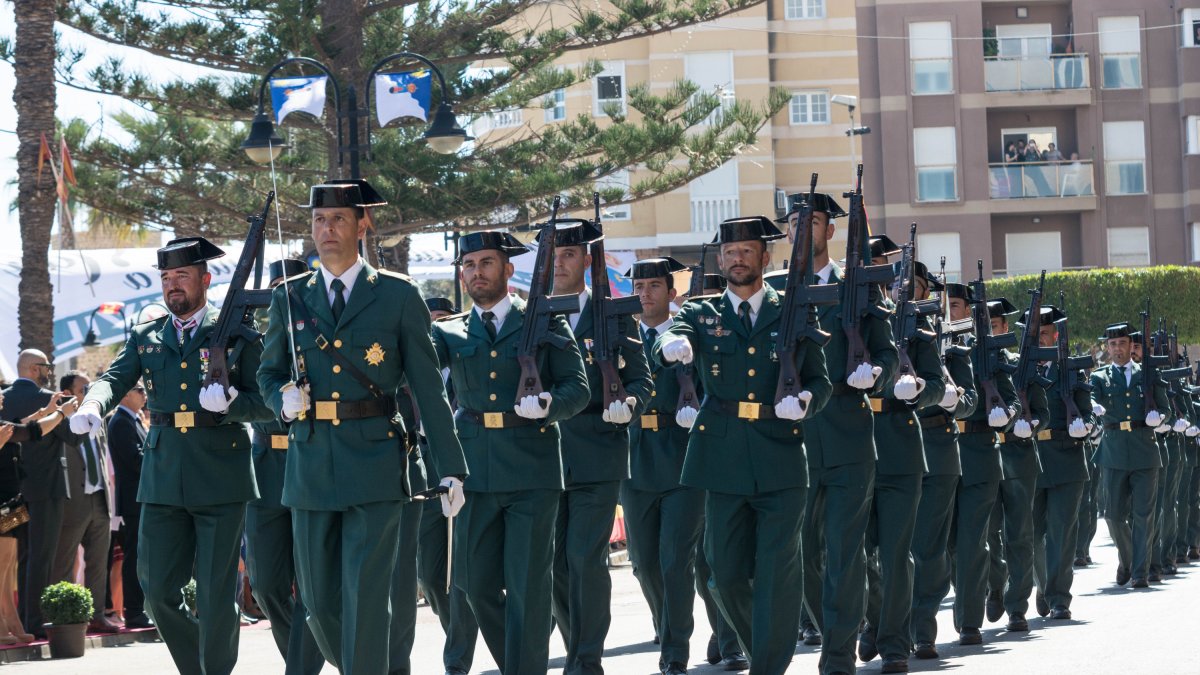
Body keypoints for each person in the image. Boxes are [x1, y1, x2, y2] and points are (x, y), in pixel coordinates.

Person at [257, 179, 468, 675]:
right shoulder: (290, 298)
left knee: (369, 601)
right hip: (309, 464)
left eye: (337, 220)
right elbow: (268, 372)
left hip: (376, 464)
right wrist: (278, 399)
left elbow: (428, 389)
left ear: (361, 225)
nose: (326, 230)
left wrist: (451, 469)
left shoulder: (396, 295)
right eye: (318, 220)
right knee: (320, 604)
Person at [70, 236, 272, 675]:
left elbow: (267, 400)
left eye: (181, 276)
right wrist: (92, 405)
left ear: (205, 279)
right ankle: (198, 666)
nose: (172, 285)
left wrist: (233, 403)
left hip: (221, 471)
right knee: (157, 588)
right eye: (165, 278)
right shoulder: (147, 335)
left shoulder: (235, 330)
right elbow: (113, 377)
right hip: (163, 474)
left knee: (218, 592)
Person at [655, 215, 832, 675]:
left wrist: (808, 400)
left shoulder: (792, 310)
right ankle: (764, 651)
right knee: (724, 573)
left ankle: (769, 667)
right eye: (729, 253)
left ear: (763, 257)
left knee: (777, 569)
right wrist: (668, 344)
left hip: (780, 452)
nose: (736, 259)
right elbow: (675, 334)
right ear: (720, 259)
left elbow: (820, 380)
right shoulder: (703, 313)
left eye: (746, 251)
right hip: (723, 454)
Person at [431, 230, 589, 674]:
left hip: (532, 468)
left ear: (508, 269)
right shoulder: (449, 330)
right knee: (473, 584)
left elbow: (578, 388)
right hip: (474, 470)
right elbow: (419, 374)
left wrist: (549, 405)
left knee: (527, 587)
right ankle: (518, 664)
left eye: (485, 263)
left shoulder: (544, 321)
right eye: (468, 265)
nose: (476, 272)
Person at [768, 194, 898, 675]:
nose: (804, 229)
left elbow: (886, 353)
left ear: (831, 231)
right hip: (793, 437)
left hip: (846, 431)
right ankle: (852, 618)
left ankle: (837, 653)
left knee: (846, 550)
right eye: (796, 222)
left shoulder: (858, 287)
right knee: (800, 551)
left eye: (815, 221)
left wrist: (875, 374)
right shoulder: (775, 292)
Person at [543, 219, 652, 675]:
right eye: (555, 255)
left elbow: (641, 379)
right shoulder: (536, 315)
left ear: (587, 261)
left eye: (570, 255)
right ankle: (576, 646)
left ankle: (587, 658)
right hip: (545, 453)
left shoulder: (613, 313)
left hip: (597, 447)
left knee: (584, 556)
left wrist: (628, 404)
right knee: (554, 565)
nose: (561, 263)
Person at [622, 256, 729, 675]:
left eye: (653, 286)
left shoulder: (691, 336)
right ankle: (666, 625)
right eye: (639, 286)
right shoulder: (622, 338)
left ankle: (676, 651)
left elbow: (716, 382)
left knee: (676, 560)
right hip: (637, 456)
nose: (644, 294)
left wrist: (701, 408)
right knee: (643, 563)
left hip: (684, 454)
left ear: (671, 292)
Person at [860, 246, 945, 674]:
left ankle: (895, 641)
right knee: (856, 554)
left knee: (895, 554)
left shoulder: (917, 323)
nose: (890, 282)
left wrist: (919, 391)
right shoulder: (848, 314)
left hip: (899, 446)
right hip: (852, 446)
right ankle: (874, 620)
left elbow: (937, 386)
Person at [244, 258, 325, 675]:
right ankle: (304, 658)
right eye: (276, 287)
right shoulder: (253, 343)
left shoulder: (320, 337)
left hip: (309, 458)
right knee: (267, 584)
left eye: (290, 286)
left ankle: (302, 667)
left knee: (313, 582)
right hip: (265, 468)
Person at [948, 286, 1020, 647]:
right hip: (940, 455)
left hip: (978, 451)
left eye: (955, 306)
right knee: (947, 545)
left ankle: (968, 621)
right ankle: (997, 575)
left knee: (973, 542)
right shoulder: (927, 343)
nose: (949, 311)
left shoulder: (989, 350)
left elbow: (1011, 401)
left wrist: (1004, 416)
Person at [910, 276, 977, 661]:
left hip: (937, 449)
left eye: (918, 287)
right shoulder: (882, 334)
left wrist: (952, 399)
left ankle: (922, 630)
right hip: (889, 449)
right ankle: (880, 622)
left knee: (929, 549)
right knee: (884, 549)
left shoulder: (950, 344)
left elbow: (968, 402)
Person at [413, 296, 480, 675]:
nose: (434, 330)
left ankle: (456, 658)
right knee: (431, 575)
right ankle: (457, 631)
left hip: (463, 465)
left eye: (442, 321)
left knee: (463, 572)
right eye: (429, 323)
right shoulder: (412, 373)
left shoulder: (464, 367)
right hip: (423, 466)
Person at [1090, 323, 1173, 588]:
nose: (1117, 349)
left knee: (1144, 515)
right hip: (1113, 450)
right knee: (1114, 516)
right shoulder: (1100, 378)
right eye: (1112, 345)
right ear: (1107, 348)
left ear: (1131, 346)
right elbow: (1090, 401)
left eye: (1122, 344)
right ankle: (1127, 560)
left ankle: (1140, 572)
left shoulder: (1147, 374)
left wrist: (1159, 416)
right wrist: (1092, 407)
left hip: (1144, 449)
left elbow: (1165, 408)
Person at [3, 349, 78, 639]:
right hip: (45, 490)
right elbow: (73, 436)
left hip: (12, 494)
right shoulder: (47, 397)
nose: (49, 370)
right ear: (35, 369)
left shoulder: (6, 399)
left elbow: (20, 430)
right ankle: (34, 622)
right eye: (46, 366)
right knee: (40, 557)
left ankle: (17, 623)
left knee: (14, 558)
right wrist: (68, 412)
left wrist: (49, 412)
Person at [983, 299, 1048, 634]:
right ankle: (996, 583)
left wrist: (1031, 425)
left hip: (1020, 457)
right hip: (988, 457)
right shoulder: (973, 362)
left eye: (995, 327)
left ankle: (1017, 606)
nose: (990, 334)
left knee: (1020, 535)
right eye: (986, 327)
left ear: (1005, 329)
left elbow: (1042, 410)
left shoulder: (1022, 364)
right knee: (988, 534)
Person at [1028, 305, 1094, 621]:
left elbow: (1088, 410)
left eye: (1044, 333)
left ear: (1055, 336)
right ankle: (1043, 584)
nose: (1039, 339)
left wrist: (1086, 424)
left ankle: (1058, 598)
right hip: (1031, 459)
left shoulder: (1069, 370)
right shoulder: (1021, 368)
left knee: (1062, 533)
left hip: (1067, 457)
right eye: (1034, 334)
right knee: (1032, 532)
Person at [53, 370, 121, 633]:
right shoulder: (58, 420)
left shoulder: (98, 417)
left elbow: (102, 455)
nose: (90, 393)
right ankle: (63, 617)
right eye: (85, 389)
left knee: (98, 562)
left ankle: (96, 616)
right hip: (73, 500)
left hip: (99, 499)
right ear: (68, 393)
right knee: (64, 561)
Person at [106, 383, 152, 629]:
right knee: (134, 557)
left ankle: (141, 608)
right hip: (133, 501)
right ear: (124, 393)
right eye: (139, 389)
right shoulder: (121, 421)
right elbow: (135, 460)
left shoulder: (132, 419)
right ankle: (134, 611)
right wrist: (159, 454)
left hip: (141, 498)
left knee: (142, 556)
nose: (144, 394)